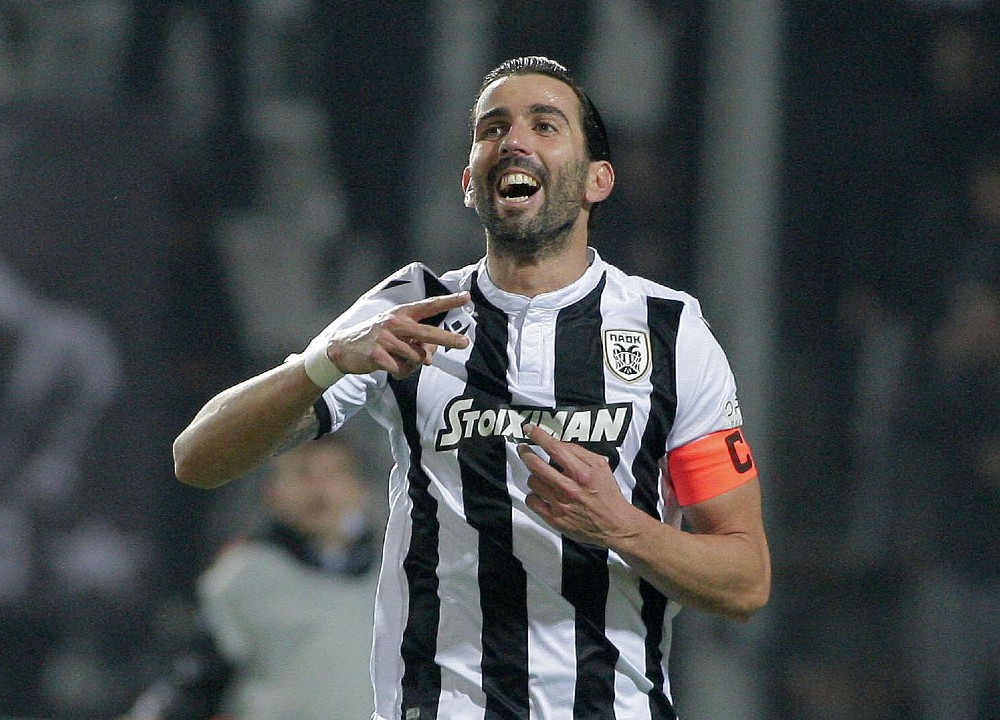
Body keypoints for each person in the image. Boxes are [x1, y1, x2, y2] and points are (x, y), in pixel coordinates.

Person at [173, 56, 771, 720]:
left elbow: (745, 580)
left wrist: (622, 527)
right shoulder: (410, 307)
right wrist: (326, 362)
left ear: (597, 179)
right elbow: (197, 458)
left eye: (545, 125)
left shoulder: (669, 331)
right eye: (493, 128)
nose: (514, 141)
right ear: (468, 181)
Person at [124, 436, 378, 720]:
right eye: (303, 474)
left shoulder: (396, 573)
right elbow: (195, 683)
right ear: (272, 490)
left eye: (335, 473)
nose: (320, 491)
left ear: (362, 488)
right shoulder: (245, 575)